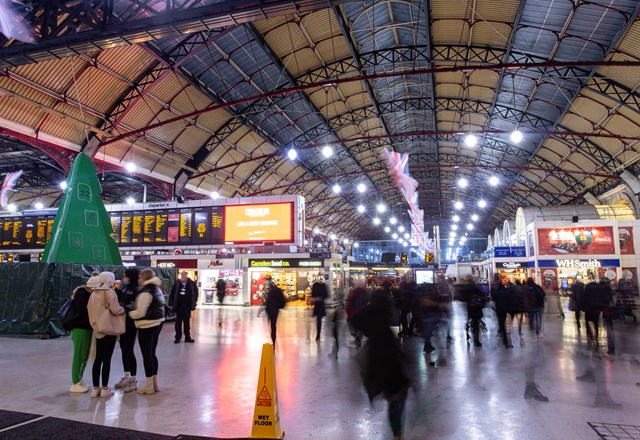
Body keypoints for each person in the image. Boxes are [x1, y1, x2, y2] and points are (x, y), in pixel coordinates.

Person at [351, 290, 410, 440]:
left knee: (393, 395)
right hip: (390, 362)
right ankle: (397, 432)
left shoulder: (370, 312)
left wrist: (364, 332)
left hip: (376, 359)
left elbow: (353, 319)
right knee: (398, 395)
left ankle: (397, 432)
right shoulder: (385, 316)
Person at [87, 271, 125, 398]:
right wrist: (122, 309)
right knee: (107, 359)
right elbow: (115, 309)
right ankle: (105, 388)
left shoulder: (93, 293)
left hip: (97, 329)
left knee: (98, 358)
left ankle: (95, 388)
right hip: (109, 328)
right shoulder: (110, 292)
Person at [128, 268, 166, 395]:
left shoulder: (145, 292)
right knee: (152, 353)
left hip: (146, 325)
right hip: (157, 323)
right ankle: (154, 384)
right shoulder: (157, 289)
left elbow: (140, 313)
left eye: (140, 277)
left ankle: (148, 386)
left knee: (147, 355)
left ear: (144, 278)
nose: (139, 280)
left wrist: (129, 313)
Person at [68, 275, 99, 393]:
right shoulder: (82, 295)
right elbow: (84, 311)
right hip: (80, 328)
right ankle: (75, 381)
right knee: (79, 355)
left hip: (85, 328)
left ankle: (79, 379)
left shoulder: (86, 293)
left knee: (84, 355)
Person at [114, 267, 140, 393]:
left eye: (126, 276)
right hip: (121, 322)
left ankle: (133, 379)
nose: (124, 278)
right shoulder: (125, 288)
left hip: (131, 323)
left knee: (129, 349)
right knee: (123, 348)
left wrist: (126, 307)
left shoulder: (137, 290)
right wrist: (118, 290)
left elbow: (135, 306)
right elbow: (119, 300)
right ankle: (126, 375)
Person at [168, 271, 198, 343]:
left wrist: (194, 302)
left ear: (187, 275)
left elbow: (196, 293)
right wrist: (171, 303)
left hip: (187, 307)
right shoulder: (177, 284)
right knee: (178, 322)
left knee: (186, 322)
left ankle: (187, 337)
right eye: (182, 275)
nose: (183, 276)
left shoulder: (192, 284)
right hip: (179, 306)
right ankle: (177, 337)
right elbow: (172, 293)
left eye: (184, 275)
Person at [457, 275, 485, 347]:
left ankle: (467, 334)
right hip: (476, 307)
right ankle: (476, 340)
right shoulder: (474, 286)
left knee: (469, 320)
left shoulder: (464, 287)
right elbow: (481, 294)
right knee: (475, 323)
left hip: (468, 307)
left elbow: (461, 297)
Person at [265, 279, 285, 346]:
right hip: (275, 310)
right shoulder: (278, 290)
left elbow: (268, 303)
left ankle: (273, 339)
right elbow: (282, 301)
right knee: (273, 326)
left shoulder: (271, 292)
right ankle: (273, 340)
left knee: (272, 326)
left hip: (270, 310)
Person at [311, 275, 329, 341]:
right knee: (319, 320)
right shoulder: (316, 285)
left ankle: (318, 333)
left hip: (320, 304)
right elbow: (326, 295)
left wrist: (319, 298)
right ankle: (318, 333)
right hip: (319, 304)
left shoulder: (320, 285)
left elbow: (326, 295)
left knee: (319, 319)